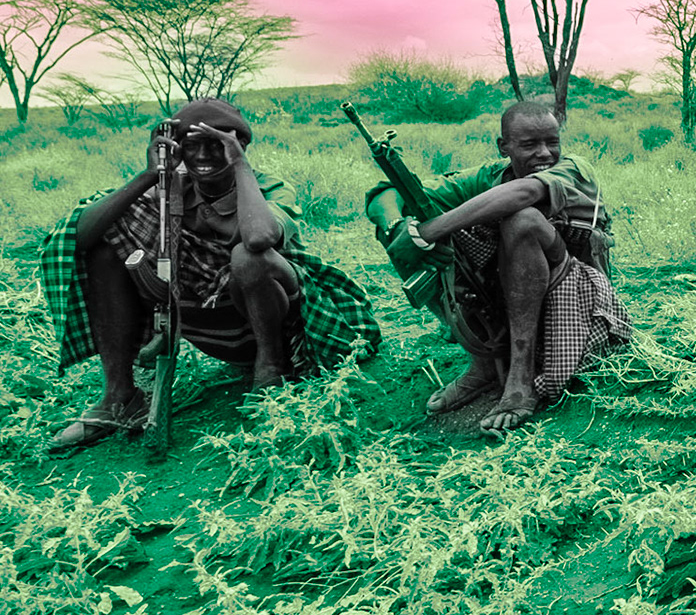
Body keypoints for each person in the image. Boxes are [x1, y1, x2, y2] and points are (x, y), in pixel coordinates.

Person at [39, 98, 381, 452]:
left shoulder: (270, 186)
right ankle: (120, 397)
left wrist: (242, 168)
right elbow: (78, 237)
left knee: (249, 257)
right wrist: (150, 174)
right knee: (104, 245)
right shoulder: (170, 189)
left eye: (216, 144)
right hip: (199, 319)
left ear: (239, 145)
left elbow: (260, 237)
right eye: (191, 145)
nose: (202, 156)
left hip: (266, 321)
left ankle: (270, 370)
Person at [364, 98, 631, 433]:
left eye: (552, 142)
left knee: (521, 221)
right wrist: (398, 229)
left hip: (577, 299)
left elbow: (522, 194)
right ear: (503, 146)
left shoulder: (575, 169)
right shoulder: (489, 176)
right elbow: (384, 192)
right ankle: (484, 364)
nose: (545, 154)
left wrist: (428, 231)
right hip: (516, 297)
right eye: (529, 145)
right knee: (409, 235)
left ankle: (519, 380)